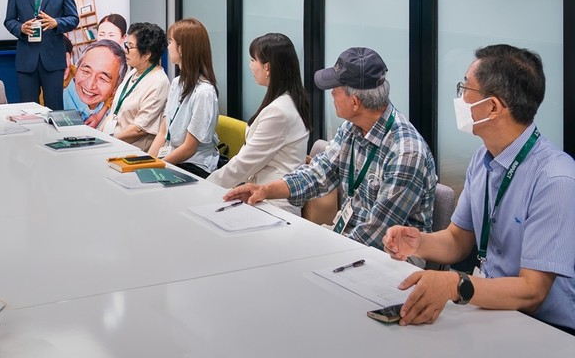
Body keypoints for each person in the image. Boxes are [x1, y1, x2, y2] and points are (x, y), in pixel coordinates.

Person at [383, 45, 575, 331]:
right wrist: (418, 242)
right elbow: (458, 239)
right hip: (492, 309)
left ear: (493, 107)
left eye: (465, 88)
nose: (459, 98)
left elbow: (533, 292)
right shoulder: (483, 158)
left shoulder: (555, 179)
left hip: (544, 328)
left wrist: (458, 285)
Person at [224, 47, 436, 248]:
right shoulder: (352, 128)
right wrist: (264, 190)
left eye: (336, 89)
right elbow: (318, 174)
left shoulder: (406, 152)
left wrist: (326, 250)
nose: (331, 94)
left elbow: (377, 232)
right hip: (347, 236)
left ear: (355, 102)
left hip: (392, 256)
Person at [207, 33, 310, 216]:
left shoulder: (278, 112)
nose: (251, 66)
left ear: (267, 67)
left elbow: (245, 163)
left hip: (273, 204)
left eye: (253, 60)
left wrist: (206, 186)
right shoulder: (287, 100)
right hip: (260, 195)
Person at [4, 0, 79, 110]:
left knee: (55, 110)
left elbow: (73, 19)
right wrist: (21, 28)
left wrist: (56, 23)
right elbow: (9, 20)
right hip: (26, 60)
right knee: (28, 111)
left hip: (52, 60)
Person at [148, 19, 220, 178]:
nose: (168, 46)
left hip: (194, 164)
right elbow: (162, 133)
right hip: (172, 158)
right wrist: (148, 162)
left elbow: (189, 148)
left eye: (170, 41)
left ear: (182, 48)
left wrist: (157, 167)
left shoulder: (204, 92)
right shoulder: (176, 83)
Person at [100, 22, 169, 152]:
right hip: (112, 141)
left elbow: (138, 130)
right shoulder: (133, 72)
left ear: (147, 54)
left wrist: (107, 141)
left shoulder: (158, 82)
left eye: (130, 47)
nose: (125, 50)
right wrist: (99, 136)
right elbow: (114, 112)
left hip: (129, 149)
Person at [62, 40, 126, 129]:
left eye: (102, 78)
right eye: (86, 71)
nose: (90, 85)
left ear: (116, 86)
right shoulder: (54, 105)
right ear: (77, 68)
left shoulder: (118, 114)